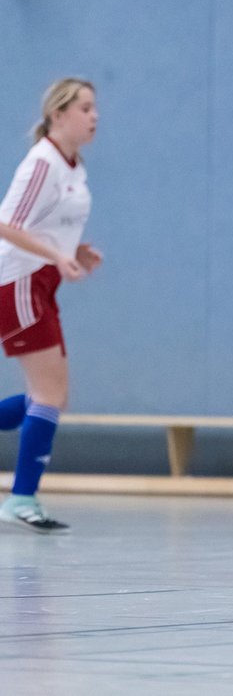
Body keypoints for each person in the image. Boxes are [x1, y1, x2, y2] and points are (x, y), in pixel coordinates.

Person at [0, 78, 102, 534]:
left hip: (42, 281)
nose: (94, 116)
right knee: (48, 395)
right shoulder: (42, 162)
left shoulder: (73, 166)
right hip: (17, 280)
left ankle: (23, 496)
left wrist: (73, 251)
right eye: (84, 107)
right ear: (57, 114)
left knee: (54, 396)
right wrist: (56, 256)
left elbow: (50, 225)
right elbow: (6, 224)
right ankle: (21, 498)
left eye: (95, 108)